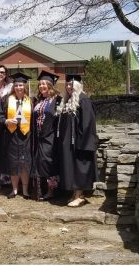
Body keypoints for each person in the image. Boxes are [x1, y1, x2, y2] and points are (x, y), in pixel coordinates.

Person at [56, 74, 98, 207]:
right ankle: (75, 194)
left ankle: (80, 195)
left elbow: (88, 123)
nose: (68, 87)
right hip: (69, 143)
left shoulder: (83, 100)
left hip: (79, 142)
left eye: (71, 84)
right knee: (72, 168)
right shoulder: (68, 101)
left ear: (78, 85)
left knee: (79, 167)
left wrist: (83, 142)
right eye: (67, 84)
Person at [0, 72, 33, 199]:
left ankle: (25, 189)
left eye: (21, 85)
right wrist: (6, 121)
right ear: (13, 87)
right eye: (16, 85)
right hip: (11, 136)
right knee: (13, 162)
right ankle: (14, 189)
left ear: (25, 87)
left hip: (26, 136)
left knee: (25, 162)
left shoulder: (32, 100)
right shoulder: (5, 100)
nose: (18, 88)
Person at [32, 70, 61, 201]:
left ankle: (51, 190)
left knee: (48, 161)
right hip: (37, 136)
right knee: (38, 162)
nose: (42, 86)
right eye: (40, 84)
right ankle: (39, 191)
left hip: (50, 136)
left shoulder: (57, 100)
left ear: (50, 85)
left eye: (45, 84)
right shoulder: (38, 100)